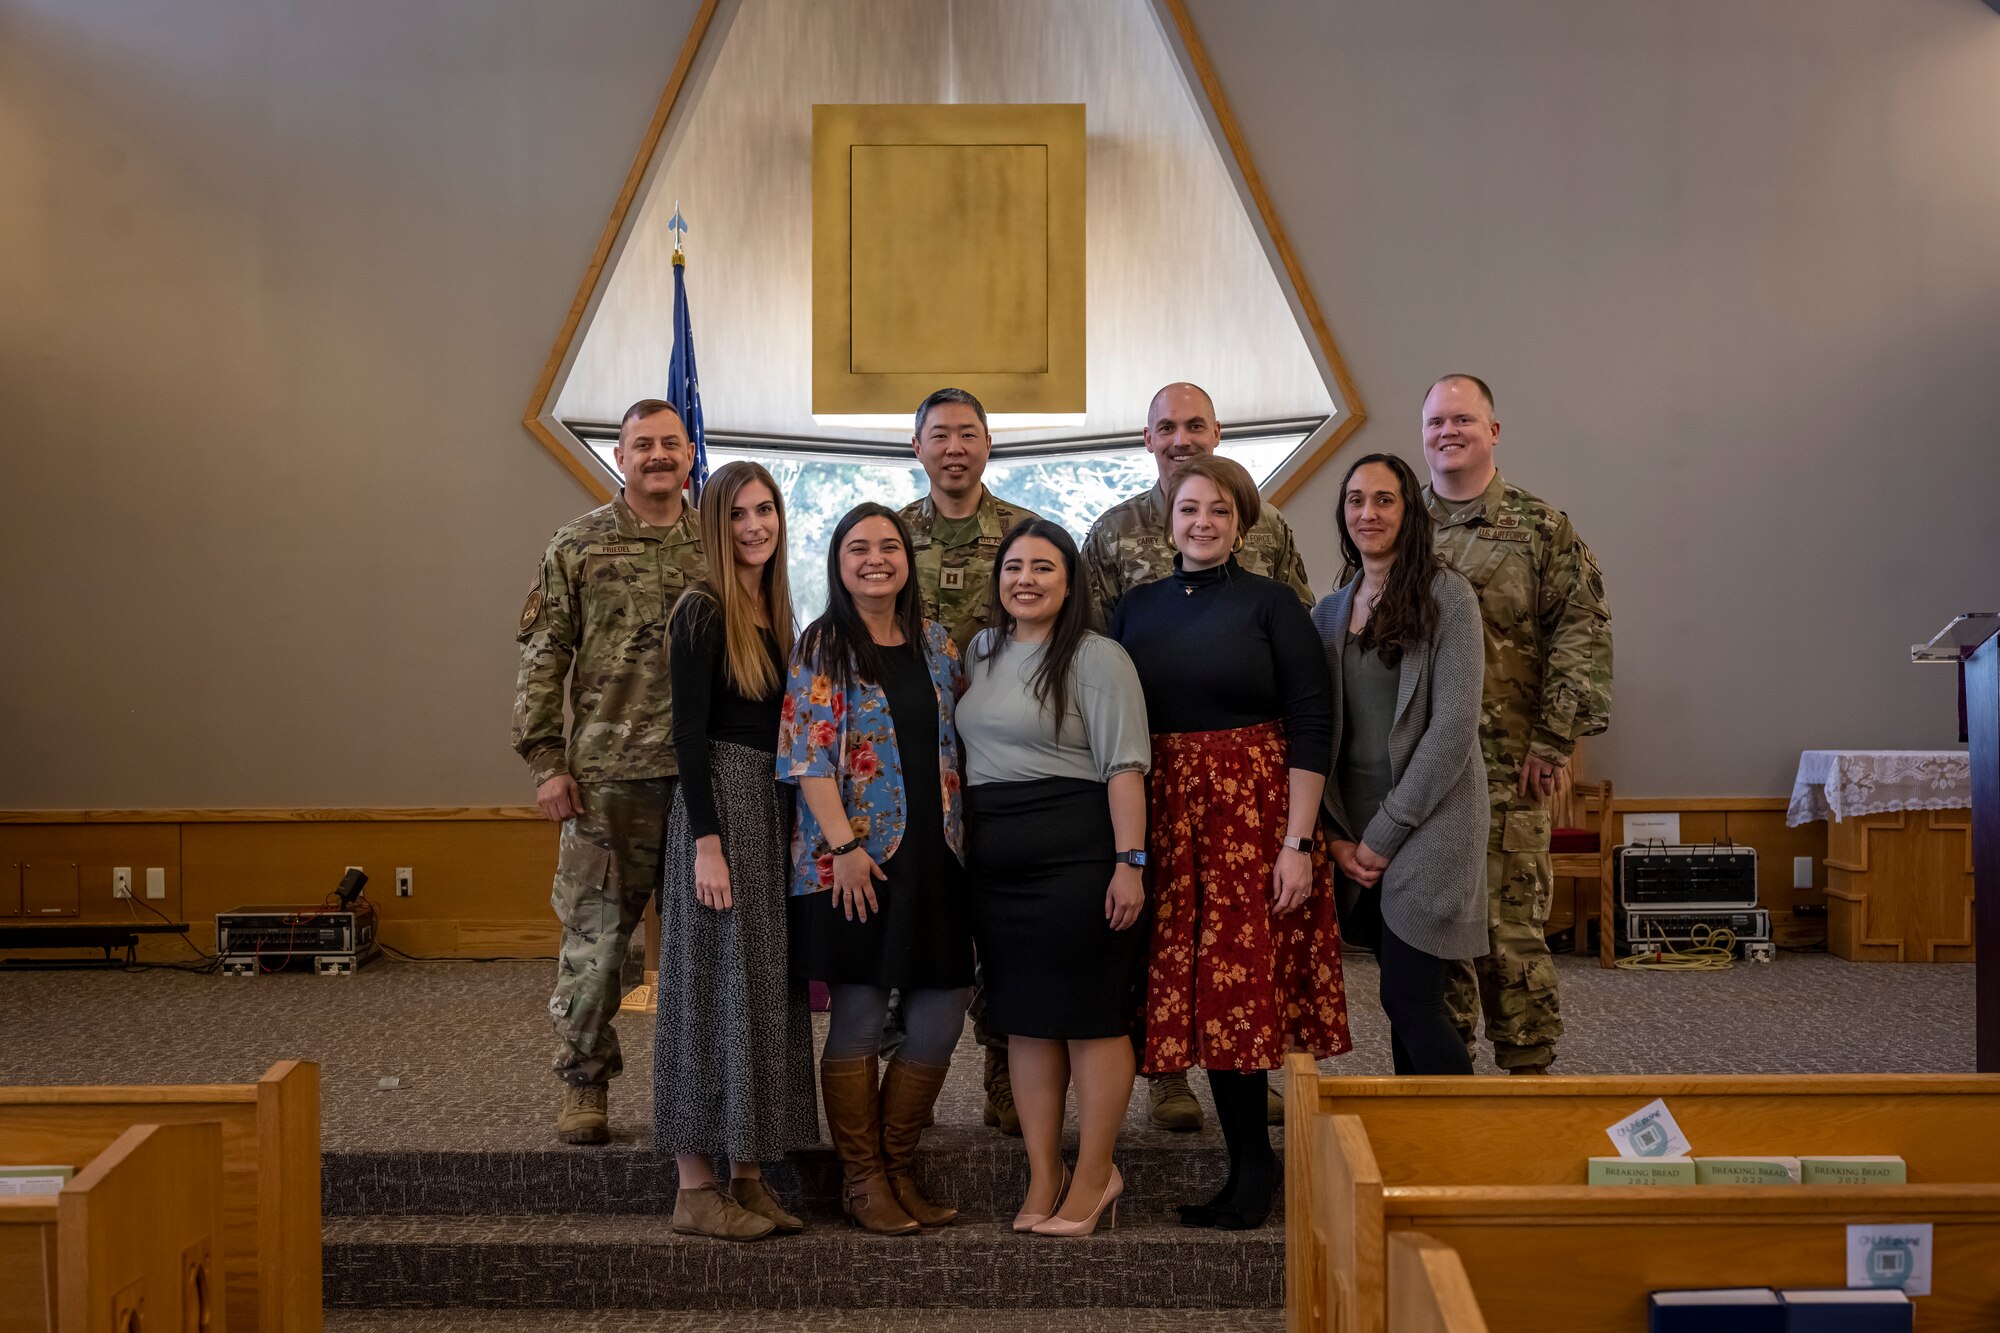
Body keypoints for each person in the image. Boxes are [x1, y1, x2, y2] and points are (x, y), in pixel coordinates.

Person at [1108, 454, 1350, 1230]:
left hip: (1255, 821)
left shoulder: (1274, 605)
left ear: (1241, 521)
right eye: (1188, 510)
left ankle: (1255, 1165)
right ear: (1168, 521)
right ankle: (1247, 1159)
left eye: (1218, 510)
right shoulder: (1134, 609)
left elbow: (1313, 724)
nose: (1203, 523)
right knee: (1194, 990)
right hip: (1167, 816)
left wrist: (1298, 842)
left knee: (1242, 991)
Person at [1081, 381, 1313, 1131]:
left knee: (1238, 935)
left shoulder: (1268, 531)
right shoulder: (1114, 532)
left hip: (1247, 777)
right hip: (1155, 775)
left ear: (1217, 433)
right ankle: (1169, 1076)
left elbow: (1299, 649)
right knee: (1167, 930)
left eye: (1195, 425)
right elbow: (1093, 654)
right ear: (1147, 438)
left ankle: (1244, 1066)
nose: (1181, 438)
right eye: (1166, 426)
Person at [777, 503, 972, 1236]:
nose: (875, 559)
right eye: (858, 548)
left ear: (908, 559)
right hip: (855, 860)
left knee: (942, 1007)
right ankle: (863, 1180)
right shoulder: (825, 643)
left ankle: (899, 1162)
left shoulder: (935, 643)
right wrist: (843, 848)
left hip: (940, 854)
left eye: (889, 546)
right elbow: (806, 754)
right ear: (838, 562)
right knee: (858, 1013)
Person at [513, 398, 704, 1145]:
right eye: (643, 444)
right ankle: (585, 1084)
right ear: (620, 457)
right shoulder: (578, 545)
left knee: (705, 949)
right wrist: (546, 760)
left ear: (690, 453)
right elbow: (543, 657)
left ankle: (703, 1088)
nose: (658, 455)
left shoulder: (717, 545)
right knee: (596, 943)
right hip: (605, 780)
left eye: (671, 443)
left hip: (702, 780)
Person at [958, 519, 1150, 1238]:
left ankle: (1098, 1172)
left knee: (1090, 1016)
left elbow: (1125, 767)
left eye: (1044, 566)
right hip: (995, 862)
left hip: (1079, 857)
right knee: (1026, 1021)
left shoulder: (1099, 658)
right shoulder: (979, 650)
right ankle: (1045, 1171)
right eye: (1014, 566)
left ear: (1070, 581)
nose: (1026, 579)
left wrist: (1130, 865)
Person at [1419, 374, 1612, 1074]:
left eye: (1463, 419)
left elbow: (1581, 631)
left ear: (1493, 431)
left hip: (1510, 765)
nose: (1449, 432)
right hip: (1426, 772)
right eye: (1437, 421)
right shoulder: (1400, 526)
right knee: (1438, 927)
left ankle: (1529, 1070)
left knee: (1511, 927)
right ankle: (1449, 1073)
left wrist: (1554, 738)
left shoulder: (1539, 527)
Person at [653, 461, 818, 1241]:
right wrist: (707, 845)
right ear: (715, 525)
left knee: (762, 987)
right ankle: (694, 1187)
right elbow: (687, 734)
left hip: (771, 805)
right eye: (740, 514)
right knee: (707, 989)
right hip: (718, 804)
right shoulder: (702, 608)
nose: (756, 525)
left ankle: (748, 1176)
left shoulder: (772, 608)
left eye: (767, 511)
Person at [897, 386, 1046, 1136]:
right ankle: (902, 1086)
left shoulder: (1026, 534)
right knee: (913, 915)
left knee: (1004, 922)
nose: (954, 446)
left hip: (1003, 761)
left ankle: (1003, 1076)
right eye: (939, 434)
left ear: (989, 444)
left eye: (968, 433)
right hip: (908, 768)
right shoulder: (887, 536)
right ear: (915, 447)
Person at [1312, 453, 1489, 1076]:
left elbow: (1452, 729)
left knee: (1409, 998)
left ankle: (1463, 1151)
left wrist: (1384, 835)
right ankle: (1415, 1153)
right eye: (1356, 499)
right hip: (1355, 831)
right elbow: (1319, 734)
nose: (1368, 512)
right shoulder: (1330, 612)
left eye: (1384, 499)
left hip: (1428, 823)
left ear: (1410, 510)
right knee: (1401, 998)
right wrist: (1337, 838)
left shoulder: (1449, 596)